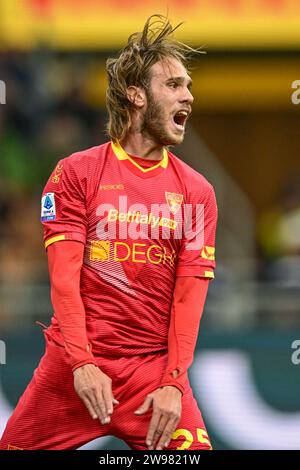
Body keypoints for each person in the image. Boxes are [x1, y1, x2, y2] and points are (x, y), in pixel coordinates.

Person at [0, 14, 217, 450]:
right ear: (136, 95)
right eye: (174, 85)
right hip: (73, 370)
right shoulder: (76, 174)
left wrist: (174, 382)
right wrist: (81, 363)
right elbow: (64, 281)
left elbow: (189, 294)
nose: (188, 96)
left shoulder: (197, 192)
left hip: (152, 377)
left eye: (188, 85)